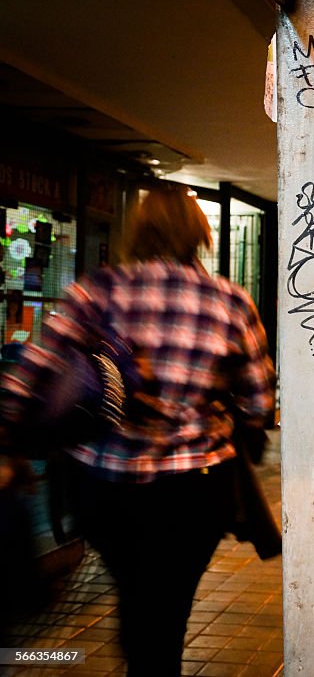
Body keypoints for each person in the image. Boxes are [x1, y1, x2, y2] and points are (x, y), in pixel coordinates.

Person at [0, 186, 276, 676]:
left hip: (102, 484)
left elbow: (30, 378)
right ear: (199, 233)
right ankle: (152, 661)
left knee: (133, 590)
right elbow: (259, 401)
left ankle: (141, 652)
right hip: (194, 487)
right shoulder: (230, 302)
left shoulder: (96, 291)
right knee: (168, 604)